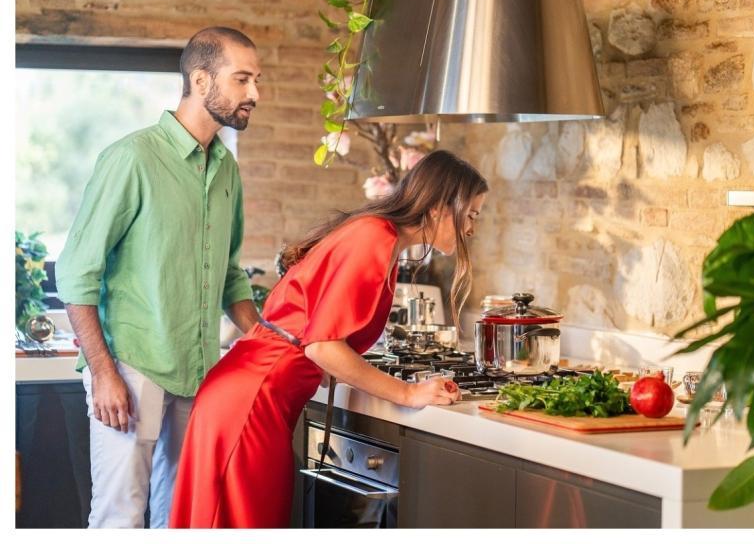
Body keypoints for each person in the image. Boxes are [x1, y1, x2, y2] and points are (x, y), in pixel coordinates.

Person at [169, 150, 489, 528]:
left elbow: (313, 332)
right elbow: (322, 346)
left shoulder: (378, 235)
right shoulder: (375, 237)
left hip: (257, 399)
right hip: (251, 403)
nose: (471, 229)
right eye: (470, 214)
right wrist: (407, 393)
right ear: (438, 207)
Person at [55, 26, 263, 528]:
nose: (254, 94)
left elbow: (231, 276)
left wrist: (266, 340)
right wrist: (104, 374)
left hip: (198, 373)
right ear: (199, 79)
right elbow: (76, 273)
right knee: (119, 519)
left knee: (182, 520)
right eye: (242, 80)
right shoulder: (132, 159)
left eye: (256, 80)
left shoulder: (227, 171)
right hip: (132, 369)